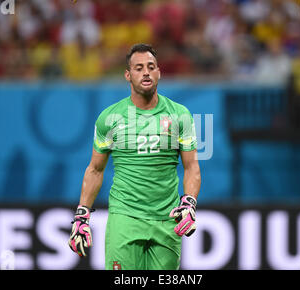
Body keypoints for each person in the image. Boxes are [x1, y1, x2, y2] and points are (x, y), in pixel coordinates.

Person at [68, 43, 201, 270]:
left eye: (151, 67)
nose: (146, 72)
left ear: (159, 72)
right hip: (125, 217)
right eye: (139, 68)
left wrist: (189, 203)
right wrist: (82, 216)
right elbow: (95, 170)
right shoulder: (109, 119)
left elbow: (192, 167)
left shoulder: (180, 116)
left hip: (167, 219)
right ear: (128, 75)